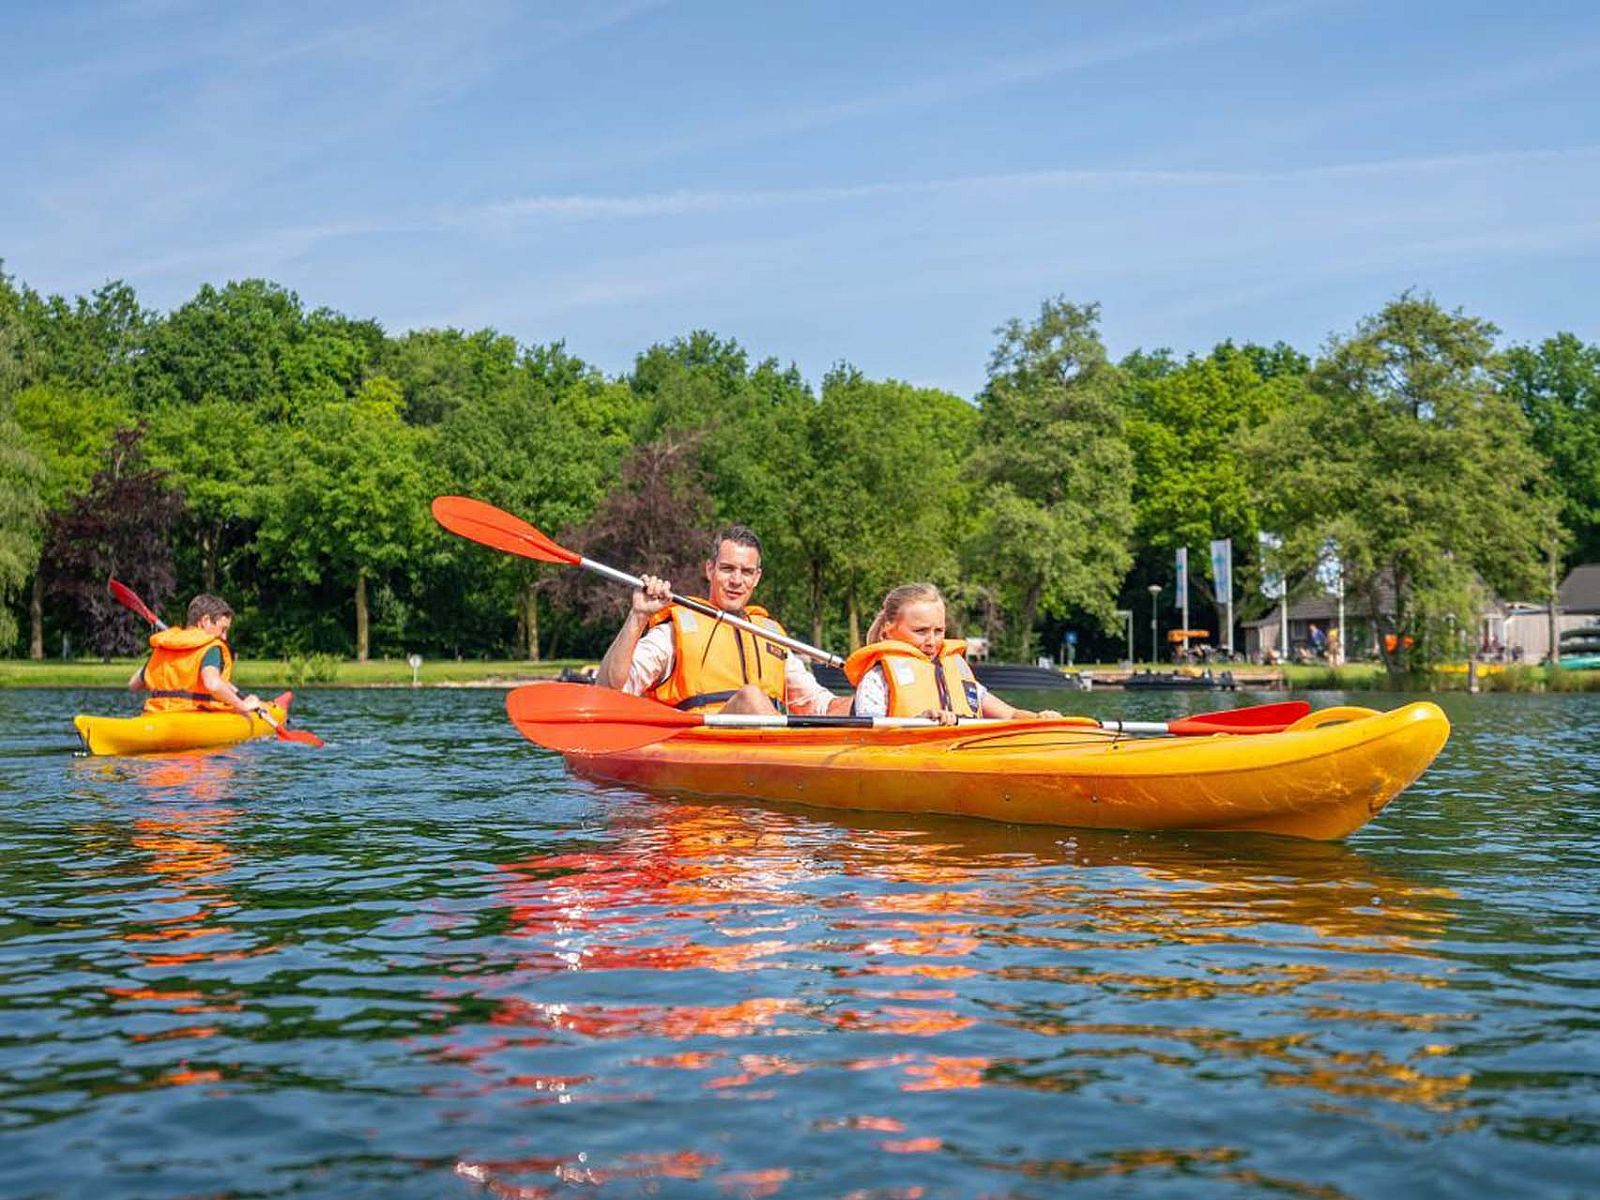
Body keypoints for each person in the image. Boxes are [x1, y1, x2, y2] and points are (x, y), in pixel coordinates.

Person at [596, 525, 851, 716]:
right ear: (710, 569)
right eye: (727, 569)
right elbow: (609, 690)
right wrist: (638, 616)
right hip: (699, 747)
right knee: (750, 698)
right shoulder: (675, 632)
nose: (736, 581)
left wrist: (863, 701)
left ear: (757, 577)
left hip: (767, 746)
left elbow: (821, 705)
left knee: (851, 704)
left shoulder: (770, 636)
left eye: (746, 572)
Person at [844, 583, 1060, 722]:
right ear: (888, 630)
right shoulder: (876, 679)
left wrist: (1039, 718)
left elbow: (1010, 714)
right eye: (920, 631)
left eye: (939, 631)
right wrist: (920, 721)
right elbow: (868, 738)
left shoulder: (955, 672)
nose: (931, 641)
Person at [128, 594, 264, 716]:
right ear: (205, 621)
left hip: (156, 716)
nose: (224, 637)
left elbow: (133, 685)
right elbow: (213, 684)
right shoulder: (210, 647)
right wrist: (242, 705)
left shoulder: (165, 644)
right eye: (223, 629)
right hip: (193, 717)